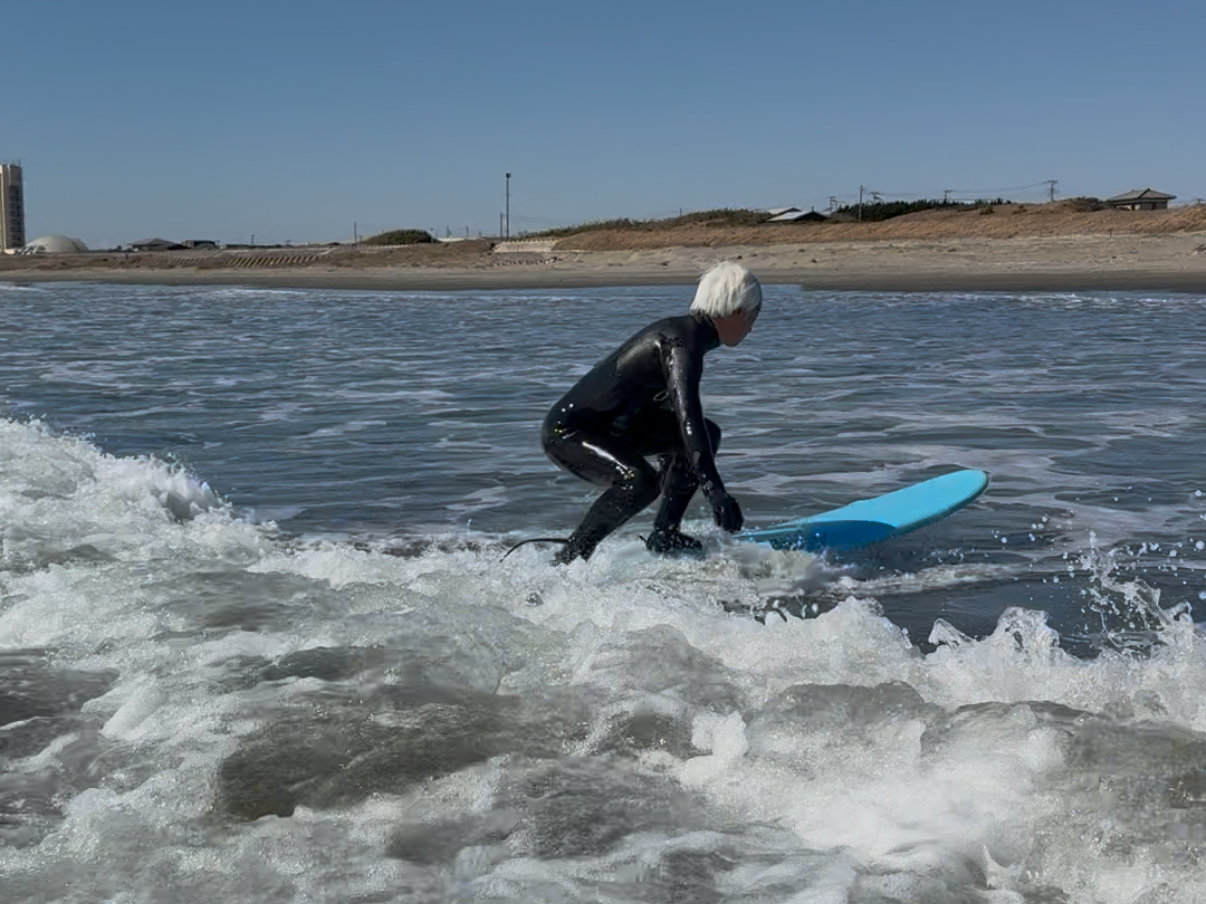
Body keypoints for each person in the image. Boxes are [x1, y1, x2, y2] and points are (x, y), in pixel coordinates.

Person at [541, 260, 761, 564]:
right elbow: (688, 417)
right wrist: (715, 491)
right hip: (569, 431)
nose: (752, 326)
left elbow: (688, 428)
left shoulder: (691, 338)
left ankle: (665, 534)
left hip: (616, 428)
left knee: (707, 435)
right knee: (639, 480)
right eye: (753, 316)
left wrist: (689, 469)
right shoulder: (680, 341)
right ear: (738, 311)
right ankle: (570, 556)